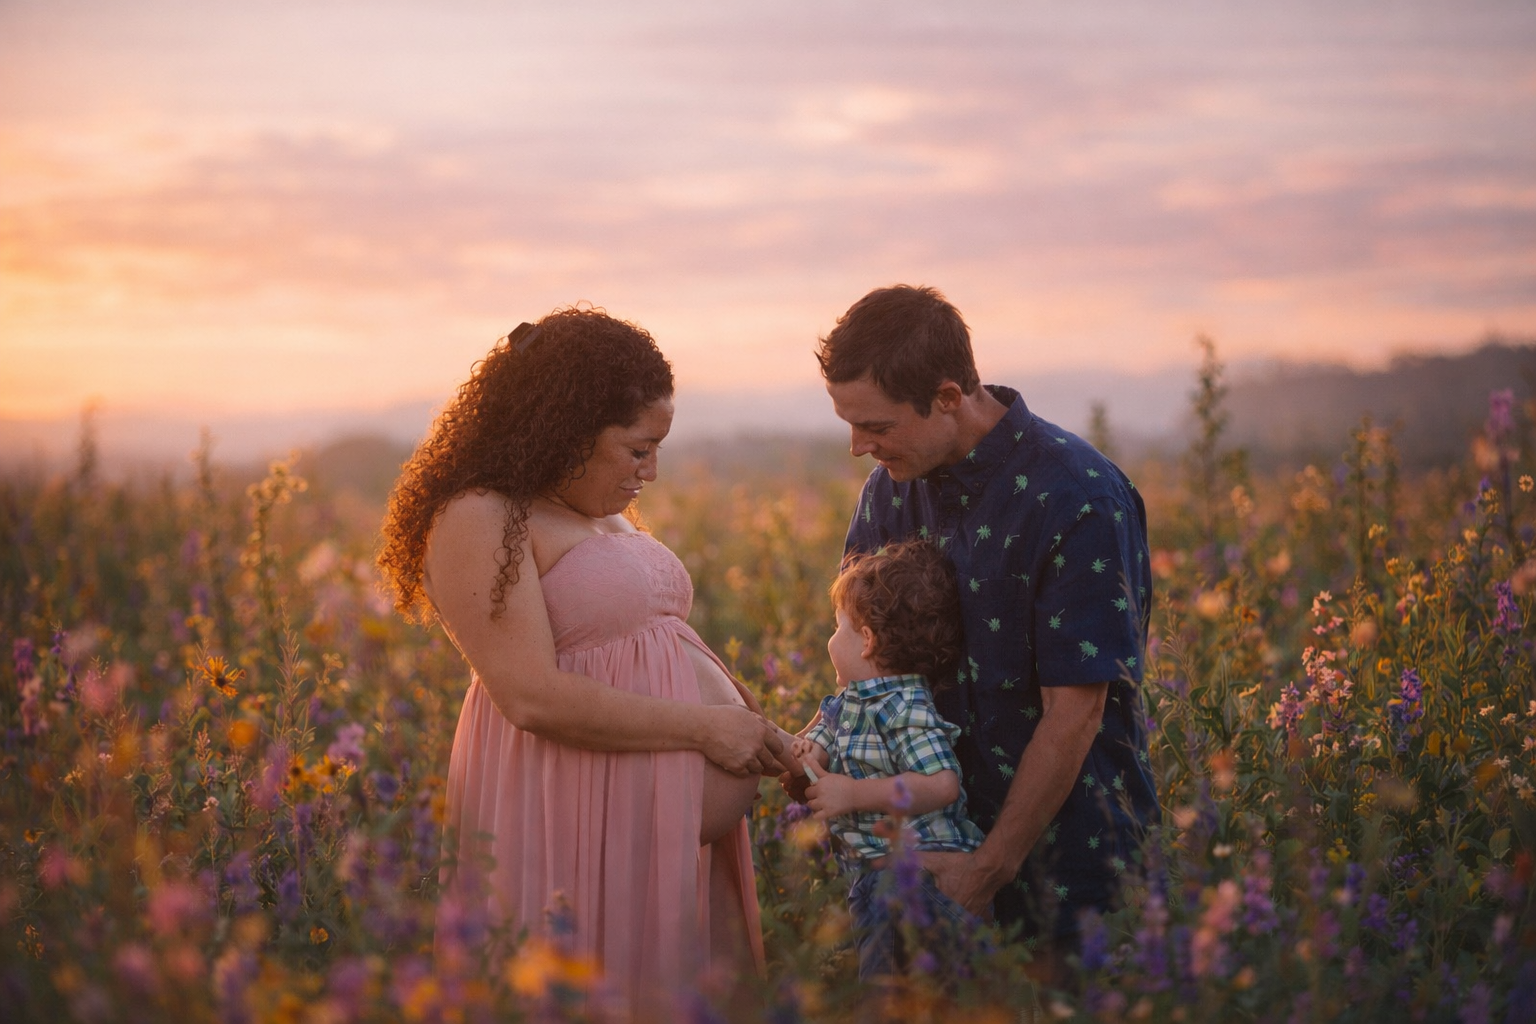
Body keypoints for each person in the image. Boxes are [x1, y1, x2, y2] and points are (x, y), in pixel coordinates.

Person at [377, 308, 787, 1010]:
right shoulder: (480, 515)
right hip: (566, 805)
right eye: (636, 449)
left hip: (647, 822)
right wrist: (708, 729)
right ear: (567, 430)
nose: (651, 472)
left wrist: (757, 731)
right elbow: (530, 695)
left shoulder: (590, 508)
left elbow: (652, 637)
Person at [807, 284, 1159, 982]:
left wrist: (987, 869)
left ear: (946, 397)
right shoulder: (889, 489)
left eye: (875, 425)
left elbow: (1076, 709)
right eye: (850, 424)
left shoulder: (1078, 497)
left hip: (1068, 860)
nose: (857, 447)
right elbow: (866, 661)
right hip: (922, 862)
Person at [790, 539, 987, 981]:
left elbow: (940, 783)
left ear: (866, 641)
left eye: (837, 628)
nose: (830, 640)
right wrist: (806, 753)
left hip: (922, 875)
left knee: (902, 990)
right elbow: (817, 746)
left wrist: (852, 793)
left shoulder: (906, 708)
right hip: (873, 873)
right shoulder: (846, 703)